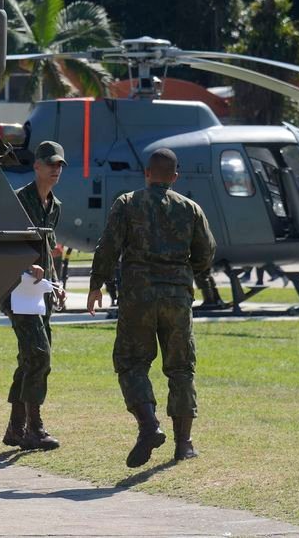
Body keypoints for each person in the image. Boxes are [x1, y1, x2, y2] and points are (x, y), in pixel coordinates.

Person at [86, 148, 216, 467]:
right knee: (181, 367)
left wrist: (96, 284)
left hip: (137, 296)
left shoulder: (128, 203)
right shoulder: (191, 209)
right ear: (174, 177)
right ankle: (183, 444)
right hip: (176, 298)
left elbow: (109, 246)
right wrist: (192, 274)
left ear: (146, 174)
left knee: (131, 362)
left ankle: (149, 426)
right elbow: (206, 252)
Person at [1, 140, 66, 451]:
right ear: (36, 166)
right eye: (50, 164)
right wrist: (28, 264)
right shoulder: (18, 202)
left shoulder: (55, 207)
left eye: (59, 165)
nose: (55, 169)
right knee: (39, 355)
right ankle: (34, 428)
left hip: (41, 295)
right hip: (18, 292)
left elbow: (47, 254)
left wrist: (56, 284)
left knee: (29, 358)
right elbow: (2, 245)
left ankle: (15, 427)